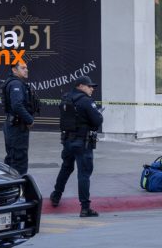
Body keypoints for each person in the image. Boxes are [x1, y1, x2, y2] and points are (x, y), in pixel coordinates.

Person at [50, 76, 103, 217]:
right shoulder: (86, 101)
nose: (92, 89)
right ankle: (85, 208)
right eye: (89, 86)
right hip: (82, 143)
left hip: (67, 140)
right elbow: (97, 120)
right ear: (80, 86)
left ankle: (56, 196)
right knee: (84, 174)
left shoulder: (66, 98)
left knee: (66, 168)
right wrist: (97, 113)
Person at [1, 62, 39, 175]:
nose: (26, 70)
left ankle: (7, 186)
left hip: (14, 126)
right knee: (19, 161)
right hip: (17, 128)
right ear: (14, 70)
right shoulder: (16, 84)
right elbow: (17, 105)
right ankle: (17, 189)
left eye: (26, 68)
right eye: (23, 68)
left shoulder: (16, 83)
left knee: (12, 158)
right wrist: (29, 119)